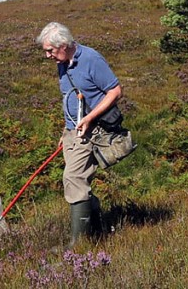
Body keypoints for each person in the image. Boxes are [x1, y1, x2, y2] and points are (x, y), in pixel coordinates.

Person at [36, 21, 123, 247]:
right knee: (78, 181)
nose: (47, 56)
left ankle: (80, 245)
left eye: (50, 51)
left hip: (92, 130)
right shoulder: (63, 62)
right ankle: (97, 231)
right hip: (73, 132)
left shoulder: (91, 59)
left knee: (73, 178)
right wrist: (65, 133)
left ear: (64, 45)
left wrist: (89, 118)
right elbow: (72, 99)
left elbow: (115, 91)